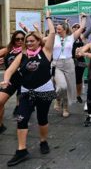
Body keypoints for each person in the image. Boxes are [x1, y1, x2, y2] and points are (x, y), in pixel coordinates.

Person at [2, 10, 55, 166]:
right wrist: (6, 80)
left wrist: (48, 17)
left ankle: (43, 141)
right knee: (21, 118)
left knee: (42, 119)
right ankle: (21, 150)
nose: (29, 43)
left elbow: (52, 33)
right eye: (27, 41)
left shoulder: (46, 51)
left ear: (39, 41)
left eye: (32, 41)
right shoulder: (23, 55)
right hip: (26, 92)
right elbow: (10, 70)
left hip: (44, 91)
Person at [52, 14, 87, 117]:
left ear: (64, 29)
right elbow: (40, 40)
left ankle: (66, 108)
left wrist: (84, 18)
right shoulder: (53, 37)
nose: (57, 31)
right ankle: (58, 99)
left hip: (69, 63)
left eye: (59, 29)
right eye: (56, 29)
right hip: (57, 64)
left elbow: (81, 28)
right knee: (61, 86)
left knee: (67, 87)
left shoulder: (71, 38)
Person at [0, 30, 26, 134]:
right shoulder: (8, 49)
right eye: (17, 39)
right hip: (10, 81)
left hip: (24, 82)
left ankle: (22, 129)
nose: (20, 41)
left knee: (20, 109)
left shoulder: (28, 50)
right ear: (13, 40)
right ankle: (0, 125)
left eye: (22, 39)